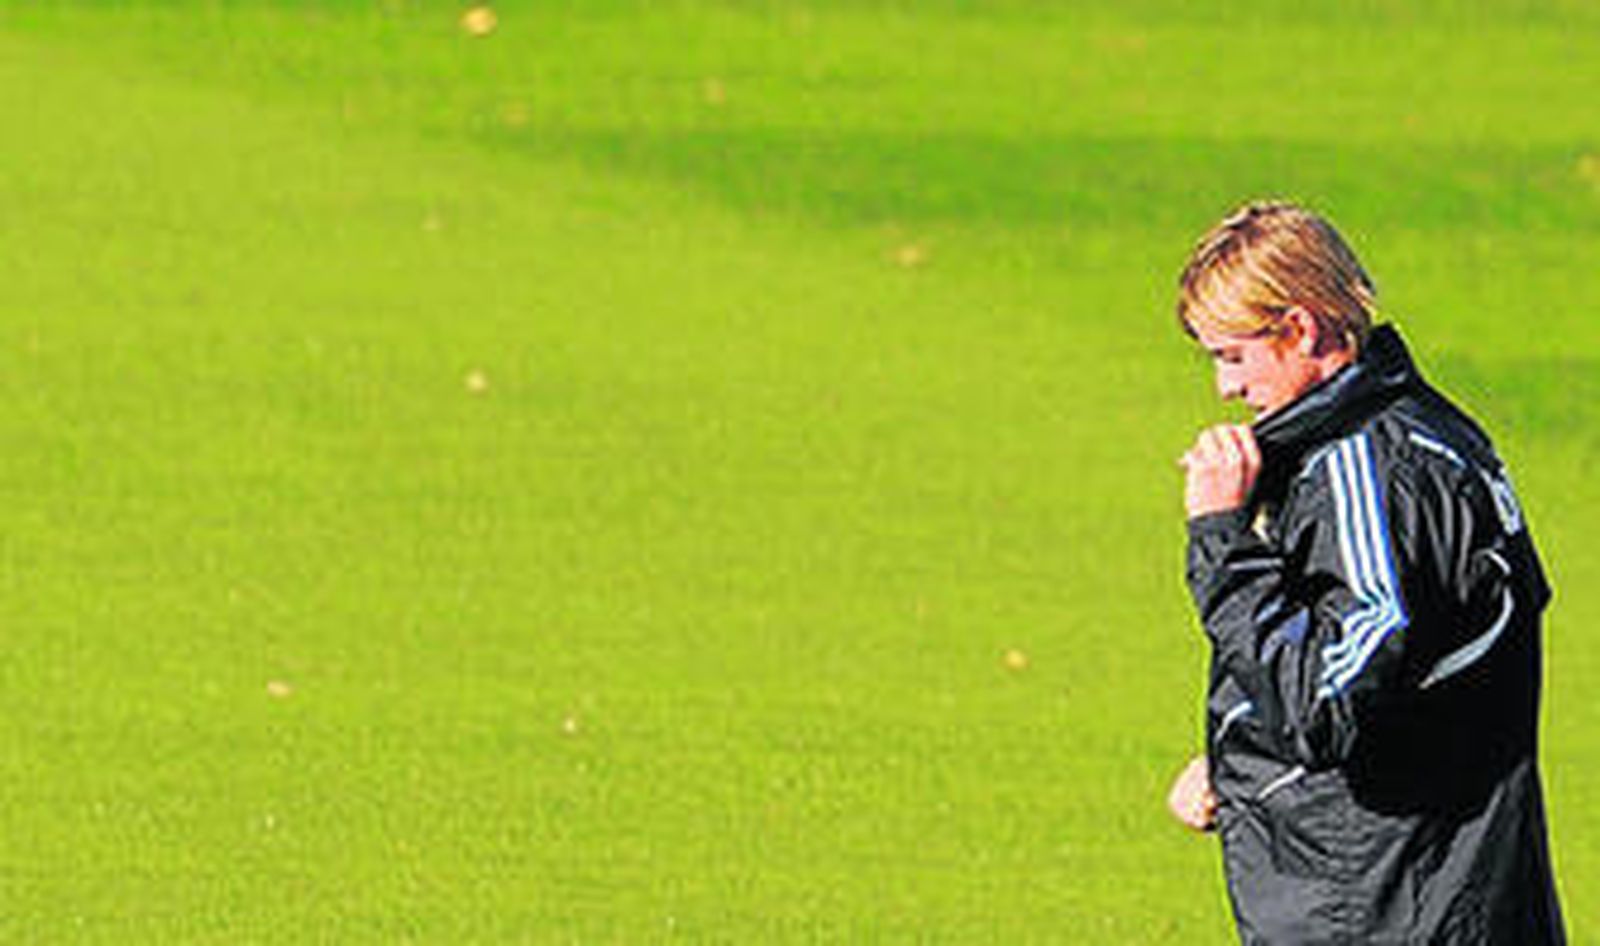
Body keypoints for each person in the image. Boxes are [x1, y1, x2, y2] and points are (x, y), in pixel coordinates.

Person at [1166, 201, 1565, 943]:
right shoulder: (1427, 430)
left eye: (1233, 355)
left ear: (1301, 329)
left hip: (1388, 901)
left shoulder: (1369, 475)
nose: (1226, 387)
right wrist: (1239, 755)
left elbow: (1323, 702)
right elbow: (1403, 668)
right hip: (1435, 886)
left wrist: (1221, 538)